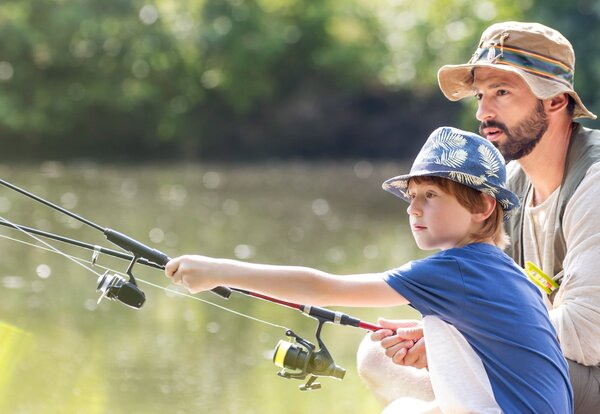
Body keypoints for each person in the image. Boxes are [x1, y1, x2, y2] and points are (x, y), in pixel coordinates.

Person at [165, 126, 573, 413]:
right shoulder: (503, 269)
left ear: (483, 207)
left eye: (431, 195)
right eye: (412, 196)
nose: (414, 207)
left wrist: (219, 270)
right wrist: (430, 330)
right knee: (380, 359)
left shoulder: (455, 270)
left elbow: (323, 288)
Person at [360, 21, 600, 413]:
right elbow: (488, 294)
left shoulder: (595, 183)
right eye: (480, 96)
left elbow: (586, 335)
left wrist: (458, 334)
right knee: (374, 356)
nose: (484, 113)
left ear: (556, 100)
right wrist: (449, 333)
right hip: (549, 366)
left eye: (502, 93)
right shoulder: (508, 182)